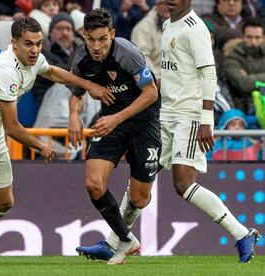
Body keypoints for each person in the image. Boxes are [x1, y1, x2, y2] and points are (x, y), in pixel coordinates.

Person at [78, 0, 261, 264]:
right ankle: (114, 241)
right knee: (142, 175)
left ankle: (242, 233)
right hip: (165, 113)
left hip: (189, 115)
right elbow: (173, 72)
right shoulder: (168, 24)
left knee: (183, 183)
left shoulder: (195, 28)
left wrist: (206, 118)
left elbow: (209, 73)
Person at [0, 17, 114, 264]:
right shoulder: (5, 70)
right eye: (28, 44)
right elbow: (12, 127)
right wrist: (40, 145)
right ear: (14, 43)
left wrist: (88, 86)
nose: (35, 50)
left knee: (4, 201)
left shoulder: (33, 60)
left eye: (38, 43)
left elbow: (54, 72)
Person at [68, 8, 161, 265]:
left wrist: (116, 118)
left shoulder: (127, 53)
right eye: (91, 40)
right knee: (93, 183)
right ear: (83, 35)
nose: (96, 46)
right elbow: (77, 92)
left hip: (144, 122)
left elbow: (151, 93)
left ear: (112, 34)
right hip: (111, 123)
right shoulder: (81, 60)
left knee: (140, 198)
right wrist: (73, 116)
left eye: (102, 39)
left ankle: (119, 237)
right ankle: (126, 239)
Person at [223, 17, 265, 115]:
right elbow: (242, 84)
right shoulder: (232, 56)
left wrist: (249, 78)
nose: (254, 42)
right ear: (242, 36)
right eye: (249, 37)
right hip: (243, 109)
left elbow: (246, 81)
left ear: (263, 37)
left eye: (257, 37)